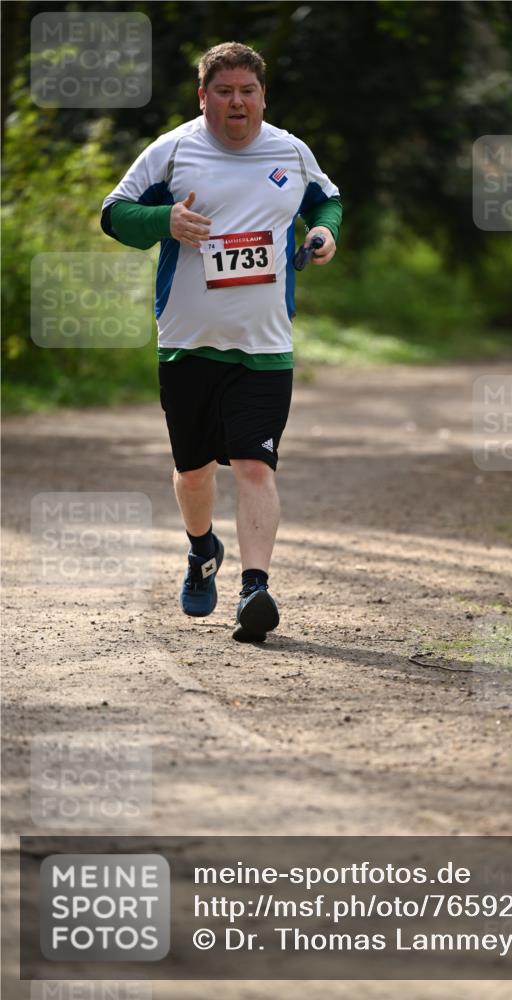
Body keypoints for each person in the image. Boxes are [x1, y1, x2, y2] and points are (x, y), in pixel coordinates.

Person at [101, 41, 341, 642]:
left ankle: (254, 589)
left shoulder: (290, 150)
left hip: (265, 345)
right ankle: (202, 547)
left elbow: (327, 200)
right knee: (194, 471)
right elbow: (114, 213)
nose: (238, 102)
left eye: (248, 91)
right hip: (187, 341)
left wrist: (323, 233)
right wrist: (165, 222)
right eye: (225, 91)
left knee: (254, 464)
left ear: (263, 95)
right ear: (204, 96)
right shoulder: (174, 149)